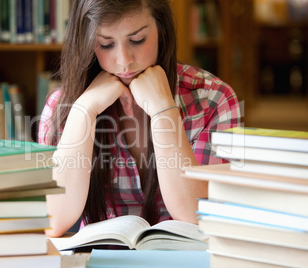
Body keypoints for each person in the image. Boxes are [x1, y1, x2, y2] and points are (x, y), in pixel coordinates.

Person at [38, 0, 241, 237]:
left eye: (137, 40)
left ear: (161, 31)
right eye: (106, 44)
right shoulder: (62, 106)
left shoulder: (214, 99)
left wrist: (164, 111)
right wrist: (85, 110)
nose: (124, 60)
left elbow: (200, 219)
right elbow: (54, 220)